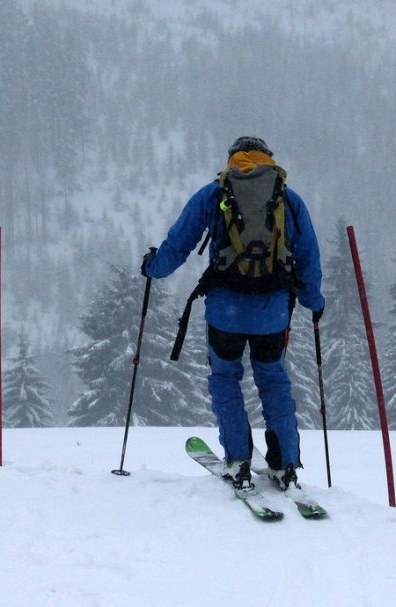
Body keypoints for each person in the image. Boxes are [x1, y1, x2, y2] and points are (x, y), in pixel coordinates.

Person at [142, 136, 324, 491]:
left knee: (225, 379)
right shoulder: (288, 198)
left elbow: (178, 245)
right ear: (268, 158)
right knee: (273, 379)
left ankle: (238, 459)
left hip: (225, 311)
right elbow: (308, 259)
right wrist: (313, 303)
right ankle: (285, 462)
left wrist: (152, 267)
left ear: (231, 160)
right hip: (272, 312)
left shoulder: (214, 194)